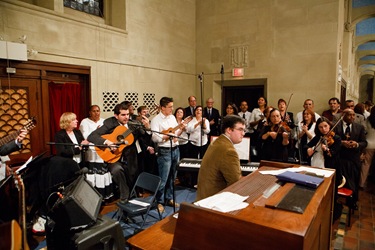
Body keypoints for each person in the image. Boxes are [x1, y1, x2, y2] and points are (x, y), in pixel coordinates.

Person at [88, 102, 148, 204]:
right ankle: (124, 199)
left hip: (131, 158)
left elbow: (145, 138)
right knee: (117, 171)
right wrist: (108, 142)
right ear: (116, 115)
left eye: (128, 114)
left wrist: (147, 128)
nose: (126, 117)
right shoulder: (110, 123)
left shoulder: (134, 124)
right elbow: (92, 136)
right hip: (113, 157)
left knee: (131, 180)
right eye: (123, 115)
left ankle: (128, 202)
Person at [196, 115, 245, 201]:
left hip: (204, 197)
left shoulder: (217, 142)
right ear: (229, 130)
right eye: (240, 129)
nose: (243, 133)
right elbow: (236, 183)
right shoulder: (229, 151)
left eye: (244, 130)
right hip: (214, 202)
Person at [151, 97, 186, 213]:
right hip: (164, 152)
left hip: (175, 149)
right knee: (163, 179)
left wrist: (180, 130)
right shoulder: (156, 120)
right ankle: (159, 202)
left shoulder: (172, 118)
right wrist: (167, 136)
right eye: (170, 107)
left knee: (173, 177)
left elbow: (175, 133)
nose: (172, 109)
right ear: (162, 107)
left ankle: (169, 198)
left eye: (172, 106)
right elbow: (155, 137)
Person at [306, 117, 342, 221]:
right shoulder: (318, 137)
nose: (324, 129)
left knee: (329, 193)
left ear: (330, 126)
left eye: (325, 126)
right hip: (316, 165)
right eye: (320, 127)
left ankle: (330, 216)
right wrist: (308, 149)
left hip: (330, 168)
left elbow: (333, 154)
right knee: (316, 191)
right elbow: (306, 145)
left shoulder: (337, 138)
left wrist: (326, 150)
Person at [334, 108, 367, 208]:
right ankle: (336, 200)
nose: (352, 117)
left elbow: (364, 143)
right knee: (339, 180)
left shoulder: (359, 127)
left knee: (353, 180)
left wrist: (356, 144)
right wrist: (341, 143)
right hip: (340, 157)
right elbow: (331, 140)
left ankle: (352, 201)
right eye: (349, 115)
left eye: (353, 115)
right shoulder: (336, 127)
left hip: (353, 159)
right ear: (343, 115)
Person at [79, 105, 113, 200]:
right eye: (94, 111)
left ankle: (103, 196)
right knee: (92, 174)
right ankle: (92, 197)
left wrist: (99, 136)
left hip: (102, 151)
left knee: (102, 173)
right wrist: (97, 132)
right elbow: (86, 136)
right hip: (91, 152)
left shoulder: (103, 121)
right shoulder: (84, 122)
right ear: (90, 112)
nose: (96, 113)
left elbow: (108, 136)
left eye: (98, 111)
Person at [361, 106, 375, 189]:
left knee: (366, 164)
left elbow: (363, 131)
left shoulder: (368, 120)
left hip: (369, 144)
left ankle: (362, 183)